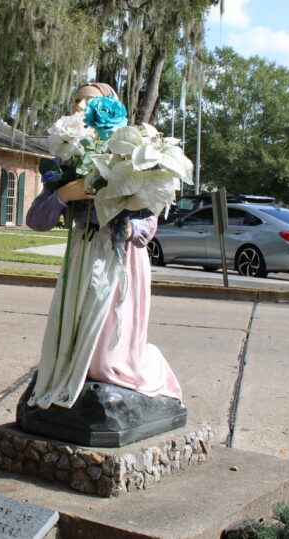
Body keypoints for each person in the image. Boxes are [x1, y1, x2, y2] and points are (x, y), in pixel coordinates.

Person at [24, 83, 182, 410]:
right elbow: (36, 219)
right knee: (76, 337)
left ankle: (121, 372)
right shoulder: (67, 158)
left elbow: (146, 226)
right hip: (82, 257)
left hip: (121, 260)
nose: (79, 105)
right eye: (75, 100)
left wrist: (121, 220)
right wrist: (66, 194)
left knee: (108, 356)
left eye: (87, 100)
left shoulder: (131, 152)